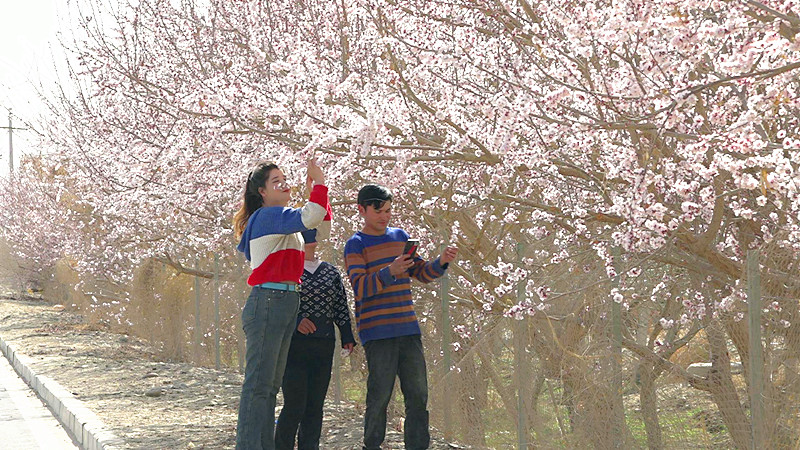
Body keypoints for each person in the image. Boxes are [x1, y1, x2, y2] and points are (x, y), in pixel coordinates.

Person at [343, 184, 458, 450]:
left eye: (389, 211)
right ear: (362, 210)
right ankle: (371, 444)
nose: (385, 216)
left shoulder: (400, 237)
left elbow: (422, 274)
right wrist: (390, 271)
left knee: (418, 394)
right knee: (380, 395)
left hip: (408, 328)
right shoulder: (355, 244)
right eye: (379, 211)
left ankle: (418, 445)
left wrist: (440, 262)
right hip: (377, 332)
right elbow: (360, 288)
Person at [233, 159, 331, 450]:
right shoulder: (267, 216)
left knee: (270, 387)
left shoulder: (286, 222)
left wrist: (317, 191)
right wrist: (321, 183)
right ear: (261, 192)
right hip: (269, 300)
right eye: (276, 181)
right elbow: (311, 215)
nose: (284, 183)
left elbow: (320, 228)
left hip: (286, 300)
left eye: (285, 178)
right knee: (259, 386)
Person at [274, 227, 357, 450]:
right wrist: (296, 321)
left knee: (315, 405)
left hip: (323, 344)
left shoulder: (330, 272)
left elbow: (340, 305)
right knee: (294, 404)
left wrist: (347, 335)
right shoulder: (287, 270)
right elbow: (278, 305)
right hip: (294, 347)